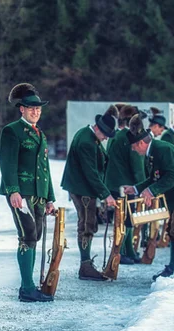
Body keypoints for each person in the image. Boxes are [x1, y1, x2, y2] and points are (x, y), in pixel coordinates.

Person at [123, 114, 174, 280]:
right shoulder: (153, 152)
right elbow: (155, 178)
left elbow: (172, 175)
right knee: (173, 230)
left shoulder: (162, 149)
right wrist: (137, 189)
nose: (133, 150)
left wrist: (151, 192)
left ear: (140, 143)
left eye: (133, 146)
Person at [0, 83, 56, 302]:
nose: (36, 111)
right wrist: (13, 190)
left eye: (38, 108)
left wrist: (49, 197)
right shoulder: (12, 131)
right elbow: (7, 164)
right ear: (21, 108)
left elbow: (45, 168)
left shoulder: (40, 133)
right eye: (31, 108)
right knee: (27, 235)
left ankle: (29, 286)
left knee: (35, 236)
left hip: (38, 193)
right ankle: (27, 287)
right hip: (21, 193)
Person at [61, 106, 118, 281]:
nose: (107, 138)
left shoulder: (87, 135)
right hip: (83, 189)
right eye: (106, 134)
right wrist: (105, 194)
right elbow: (90, 172)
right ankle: (85, 265)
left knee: (89, 223)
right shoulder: (87, 141)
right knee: (86, 225)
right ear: (98, 128)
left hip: (83, 187)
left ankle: (86, 263)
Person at [104, 104, 144, 265]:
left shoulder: (115, 135)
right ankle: (121, 252)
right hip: (126, 185)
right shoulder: (129, 136)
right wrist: (142, 185)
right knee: (126, 220)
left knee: (124, 219)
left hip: (114, 184)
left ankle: (129, 251)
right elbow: (137, 164)